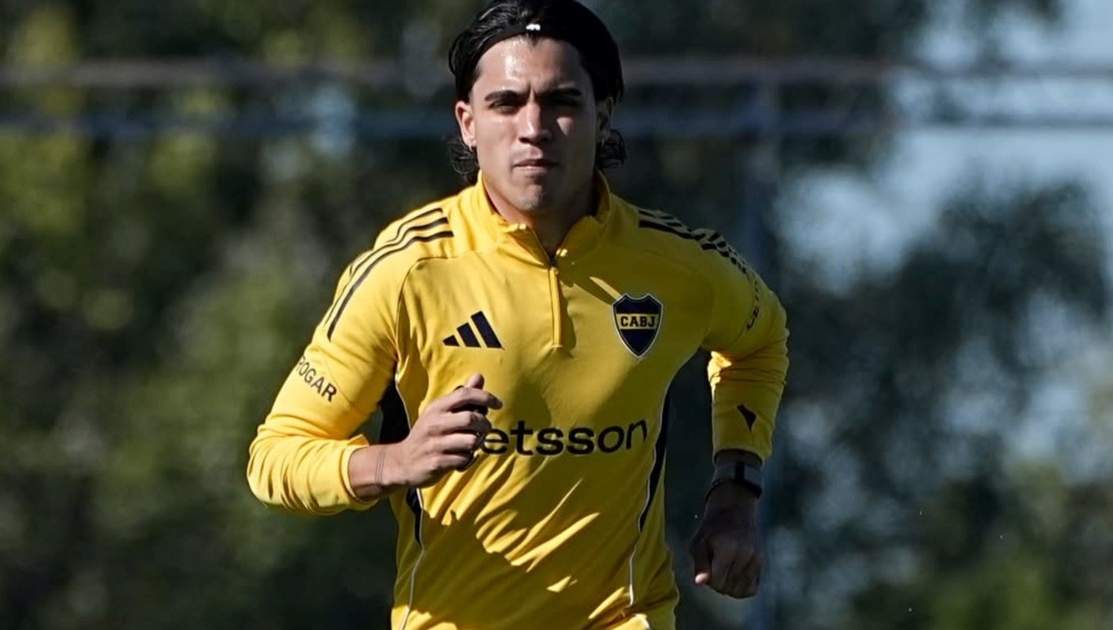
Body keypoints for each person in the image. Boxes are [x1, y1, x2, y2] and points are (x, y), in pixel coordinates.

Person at [246, 0, 789, 627]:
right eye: (506, 103)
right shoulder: (408, 270)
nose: (533, 127)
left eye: (561, 102)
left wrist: (736, 490)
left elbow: (761, 341)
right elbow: (275, 457)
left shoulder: (681, 266)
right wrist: (392, 461)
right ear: (468, 123)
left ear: (602, 113)